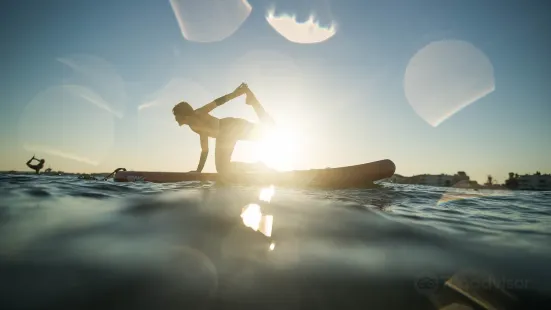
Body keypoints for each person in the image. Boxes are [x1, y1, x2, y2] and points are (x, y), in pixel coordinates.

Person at [172, 83, 275, 174]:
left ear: (183, 115)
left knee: (268, 131)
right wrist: (198, 171)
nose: (175, 119)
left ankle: (252, 100)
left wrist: (235, 94)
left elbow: (217, 103)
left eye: (176, 116)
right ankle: (257, 166)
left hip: (228, 127)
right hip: (226, 132)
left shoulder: (198, 113)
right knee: (223, 168)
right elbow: (205, 150)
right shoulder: (193, 127)